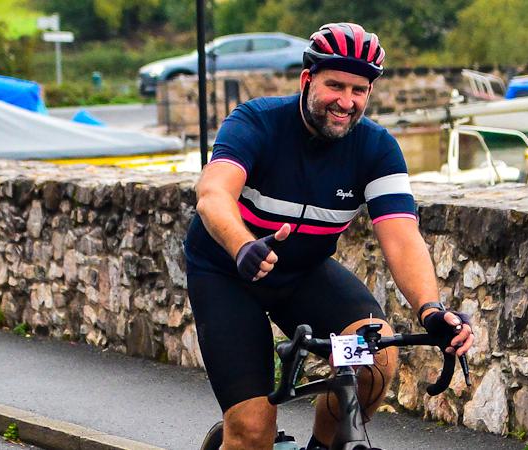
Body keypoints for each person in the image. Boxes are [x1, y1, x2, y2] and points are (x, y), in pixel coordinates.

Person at [183, 23, 478, 449]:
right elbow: (212, 194)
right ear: (307, 81)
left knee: (374, 359)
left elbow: (401, 236)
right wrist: (242, 245)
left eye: (358, 90)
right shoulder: (257, 122)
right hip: (229, 276)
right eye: (334, 85)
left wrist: (431, 310)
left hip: (302, 276)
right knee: (251, 431)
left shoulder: (376, 148)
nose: (346, 101)